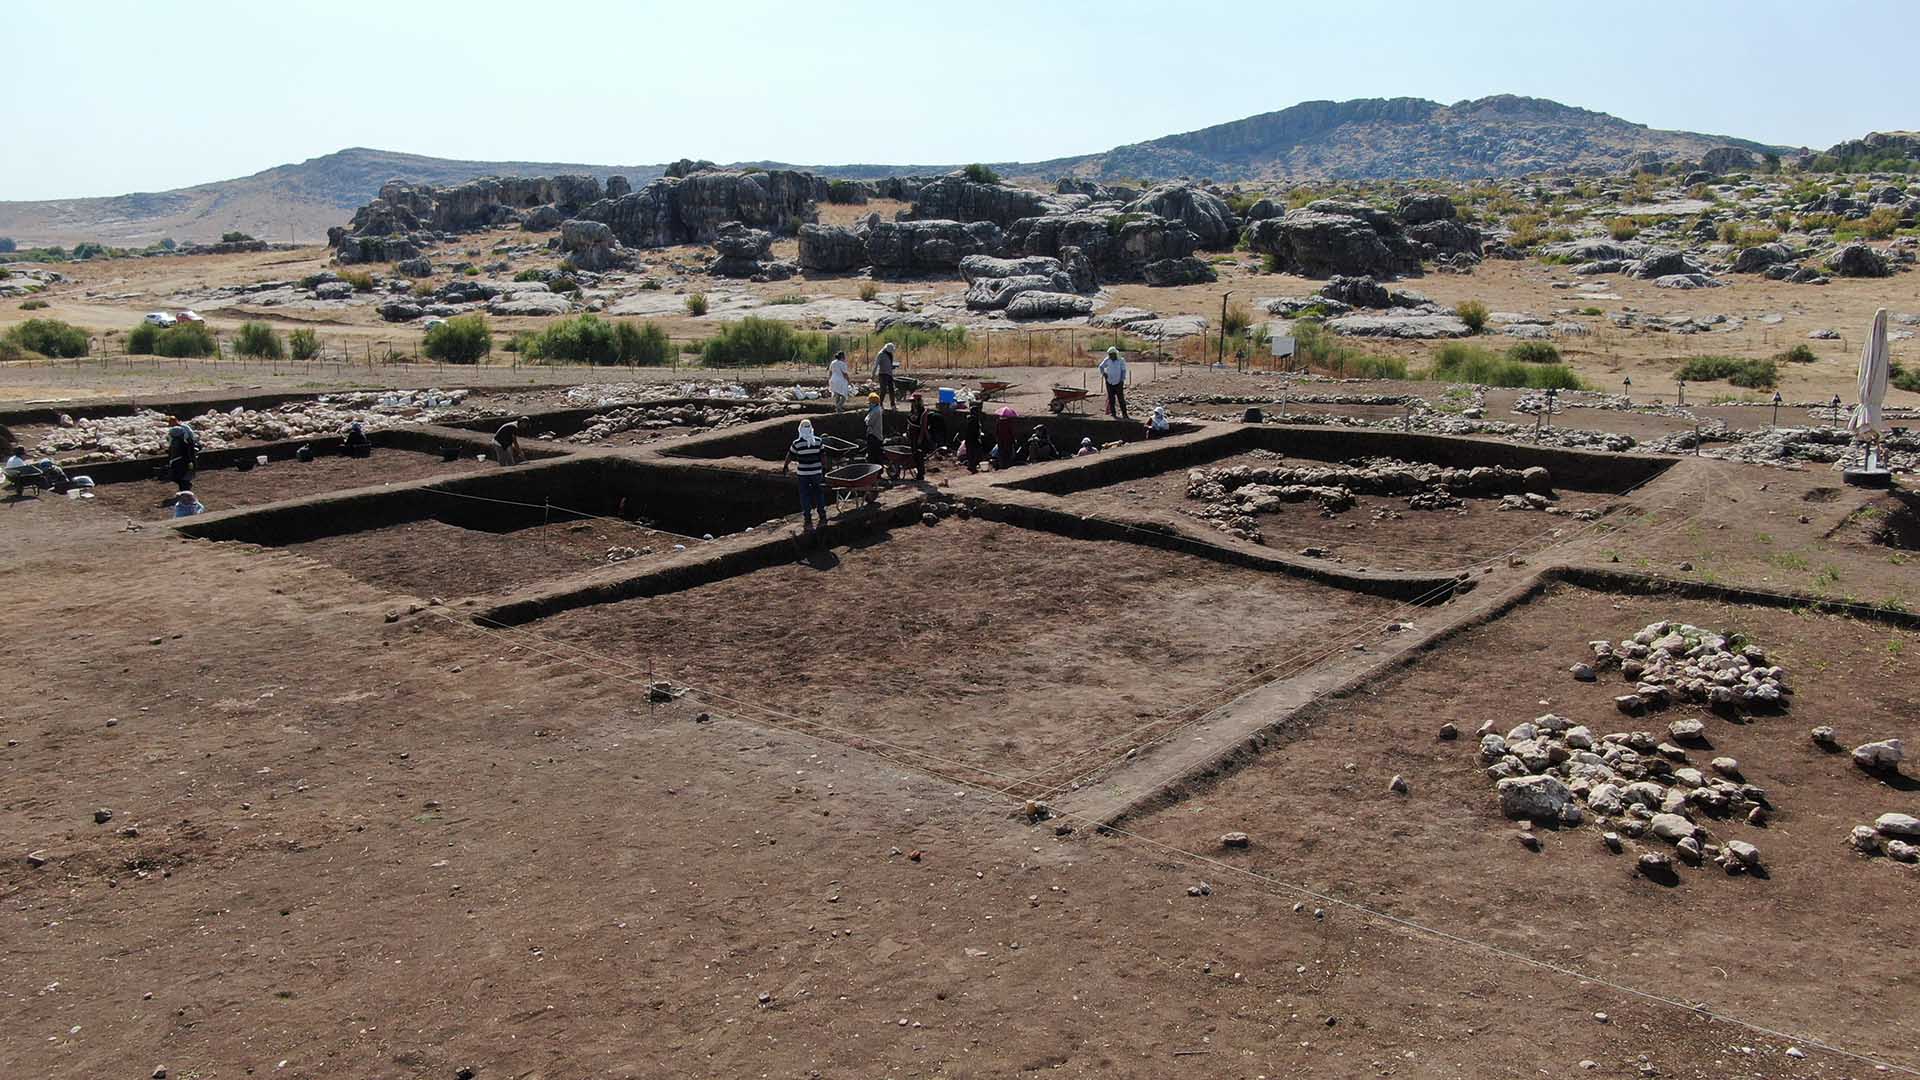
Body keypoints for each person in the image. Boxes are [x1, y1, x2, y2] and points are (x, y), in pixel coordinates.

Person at [782, 419, 828, 532]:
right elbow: (823, 456)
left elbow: (790, 455)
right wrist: (825, 468)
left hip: (803, 473)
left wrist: (785, 466)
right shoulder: (818, 441)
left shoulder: (797, 443)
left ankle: (807, 518)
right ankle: (822, 515)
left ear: (800, 429)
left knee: (804, 495)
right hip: (816, 472)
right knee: (818, 493)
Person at [5, 447, 70, 491]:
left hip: (15, 476)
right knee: (49, 466)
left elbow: (24, 467)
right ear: (21, 454)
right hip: (25, 477)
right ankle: (55, 483)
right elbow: (27, 470)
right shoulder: (19, 461)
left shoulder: (12, 459)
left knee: (44, 463)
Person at [166, 416, 199, 491]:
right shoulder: (175, 438)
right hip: (178, 459)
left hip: (183, 459)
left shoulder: (183, 429)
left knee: (182, 476)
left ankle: (186, 486)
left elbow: (191, 438)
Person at [903, 394, 930, 481]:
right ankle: (917, 471)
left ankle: (920, 474)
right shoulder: (912, 411)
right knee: (914, 454)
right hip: (912, 435)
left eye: (914, 401)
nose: (912, 403)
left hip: (918, 435)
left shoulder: (923, 412)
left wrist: (920, 438)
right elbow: (909, 423)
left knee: (919, 455)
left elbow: (923, 427)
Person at [1098, 346, 1129, 419]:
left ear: (1115, 354)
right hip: (1109, 382)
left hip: (1118, 382)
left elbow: (1123, 371)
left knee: (1120, 399)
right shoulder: (1107, 360)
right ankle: (1113, 413)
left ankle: (1125, 414)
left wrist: (1121, 380)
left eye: (1112, 355)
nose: (1110, 356)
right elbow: (1101, 366)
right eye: (1109, 355)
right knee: (1111, 399)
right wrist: (1104, 374)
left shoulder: (1121, 360)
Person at [956, 400, 986, 473]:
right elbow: (975, 430)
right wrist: (978, 437)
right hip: (973, 439)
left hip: (968, 439)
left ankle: (971, 465)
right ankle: (972, 465)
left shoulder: (968, 419)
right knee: (974, 452)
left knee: (970, 452)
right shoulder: (974, 420)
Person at [872, 342, 899, 409]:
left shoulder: (890, 354)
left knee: (891, 390)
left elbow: (889, 363)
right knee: (883, 390)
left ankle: (893, 405)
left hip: (889, 374)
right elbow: (876, 365)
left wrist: (892, 366)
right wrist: (873, 374)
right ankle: (880, 404)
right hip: (883, 374)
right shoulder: (880, 354)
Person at [863, 392, 885, 464]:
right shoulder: (876, 409)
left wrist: (866, 420)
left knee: (873, 455)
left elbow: (869, 422)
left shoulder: (876, 411)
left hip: (874, 435)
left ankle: (875, 472)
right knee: (877, 455)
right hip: (876, 435)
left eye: (870, 403)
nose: (869, 404)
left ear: (873, 403)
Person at [994, 406, 1018, 470]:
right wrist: (1013, 440)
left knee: (1001, 453)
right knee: (1008, 453)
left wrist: (997, 439)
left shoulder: (998, 422)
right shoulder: (1008, 423)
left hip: (1000, 441)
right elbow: (1011, 432)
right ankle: (1008, 465)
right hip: (1008, 441)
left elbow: (996, 432)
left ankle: (1002, 465)